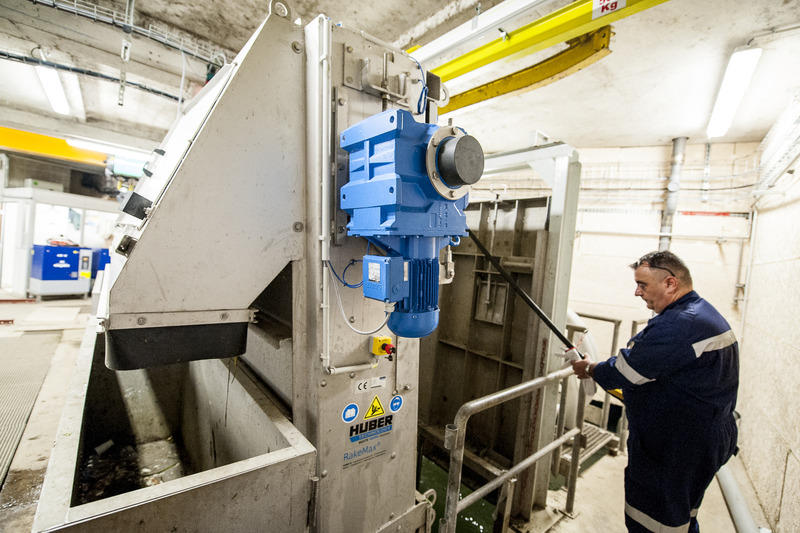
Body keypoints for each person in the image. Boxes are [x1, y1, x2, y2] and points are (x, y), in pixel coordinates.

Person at [571, 250, 739, 533]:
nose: (637, 292)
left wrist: (590, 369)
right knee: (681, 517)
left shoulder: (678, 324)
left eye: (643, 284)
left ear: (670, 283)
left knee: (652, 522)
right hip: (707, 435)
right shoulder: (704, 313)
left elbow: (625, 371)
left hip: (677, 445)